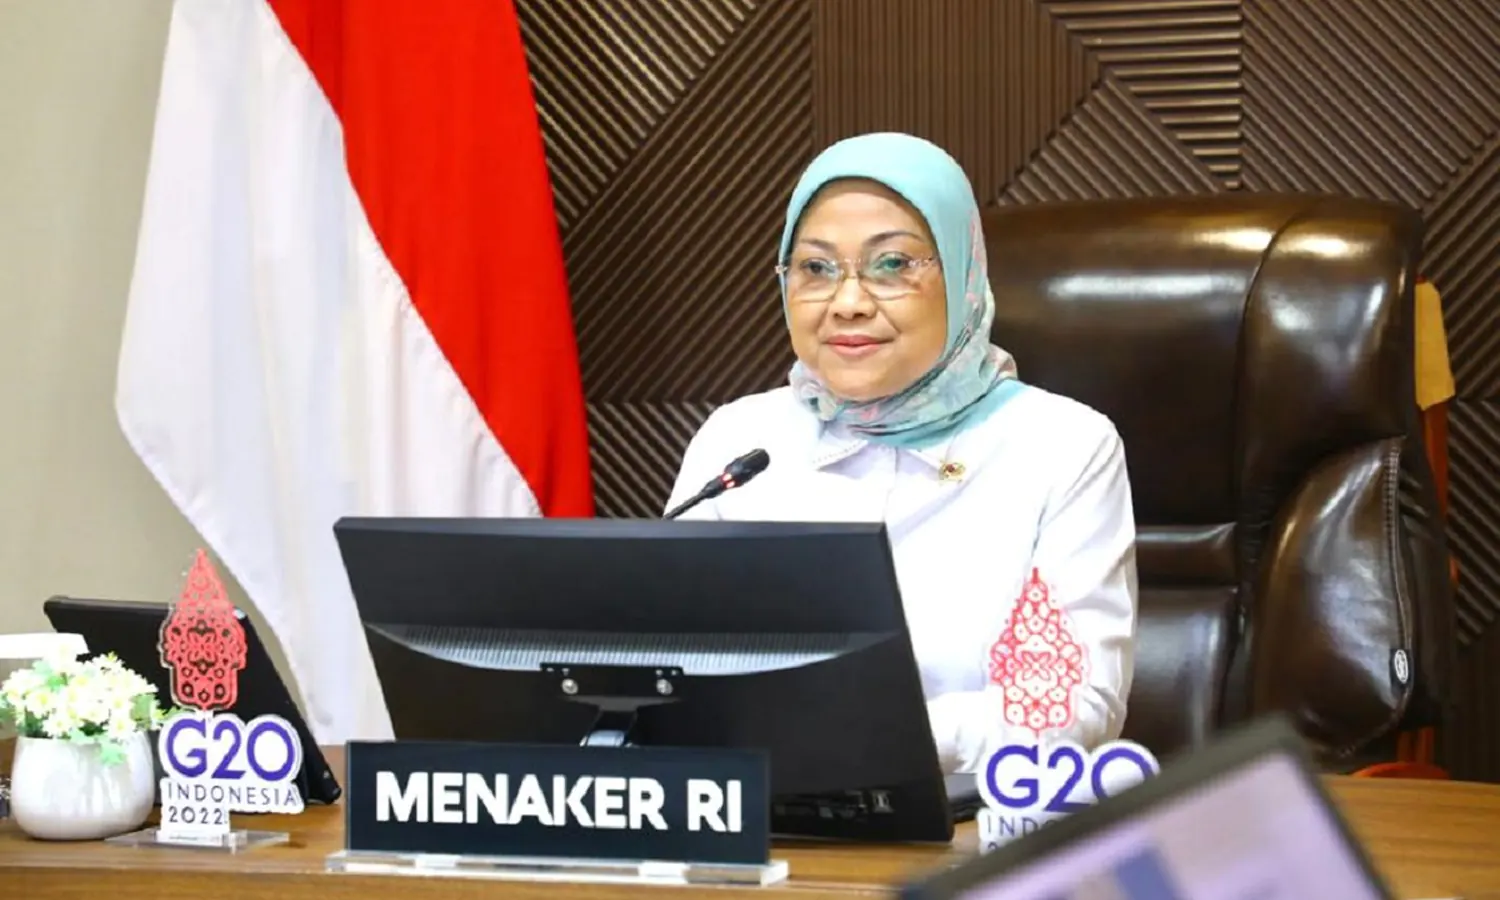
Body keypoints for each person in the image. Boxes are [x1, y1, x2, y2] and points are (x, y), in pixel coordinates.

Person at [664, 132, 1138, 775]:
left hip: (964, 815)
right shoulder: (740, 442)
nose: (848, 303)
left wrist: (850, 732)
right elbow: (671, 664)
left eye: (892, 265)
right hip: (753, 806)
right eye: (815, 269)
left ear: (962, 276)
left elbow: (1069, 705)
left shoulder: (1060, 445)